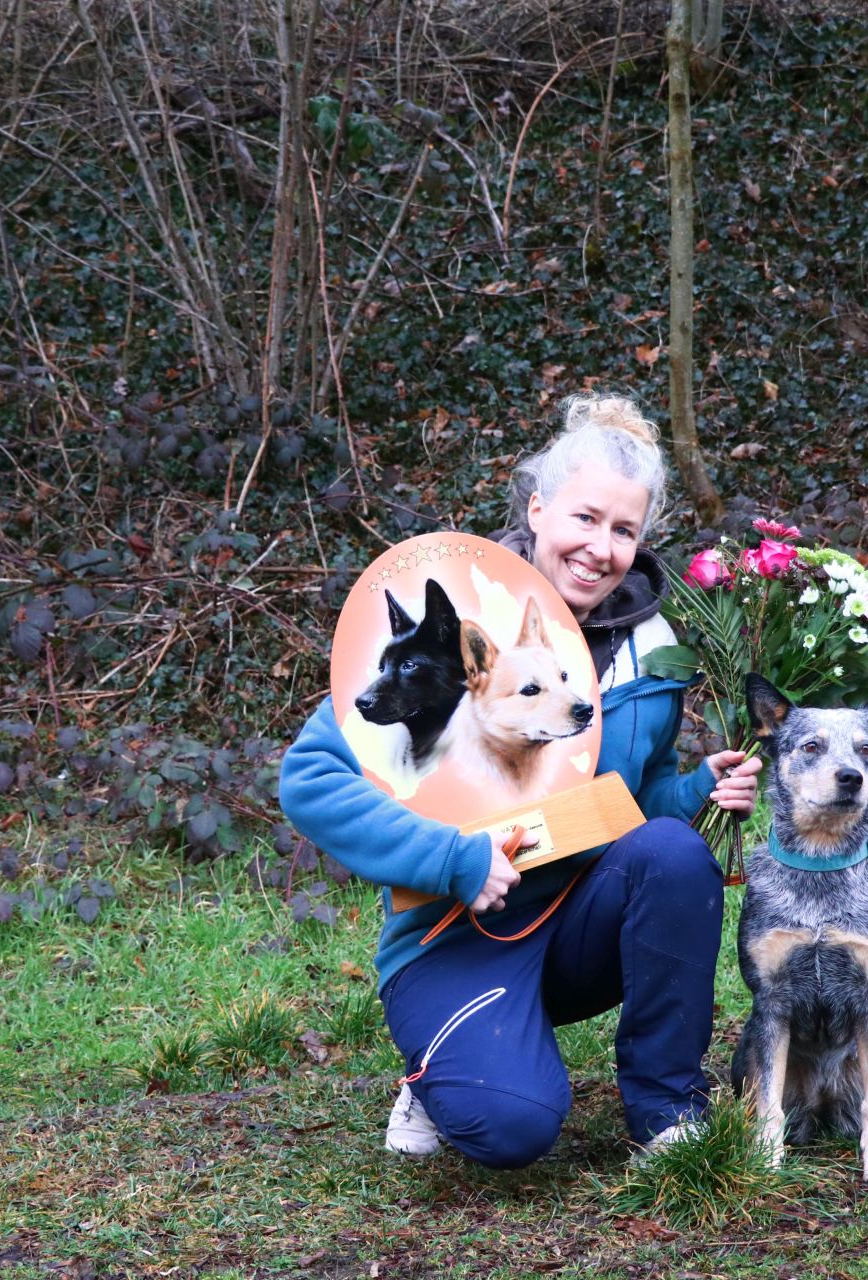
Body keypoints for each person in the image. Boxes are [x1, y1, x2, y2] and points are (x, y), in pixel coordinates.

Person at [279, 393, 761, 1169]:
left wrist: (697, 787)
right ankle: (443, 1068)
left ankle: (667, 1112)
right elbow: (310, 778)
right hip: (452, 937)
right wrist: (451, 859)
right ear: (538, 508)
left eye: (624, 530)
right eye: (585, 517)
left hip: (577, 930)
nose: (600, 548)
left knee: (676, 855)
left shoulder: (651, 653)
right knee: (512, 1128)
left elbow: (632, 814)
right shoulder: (458, 621)